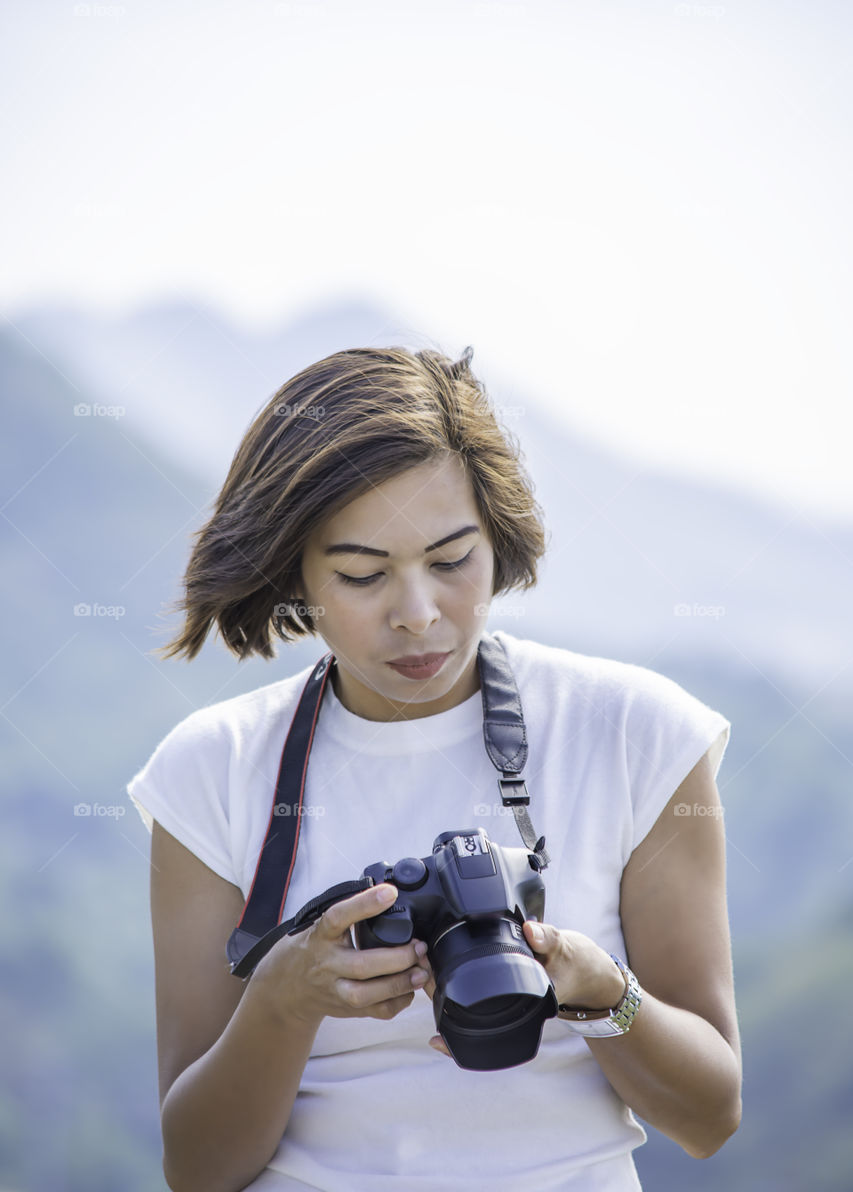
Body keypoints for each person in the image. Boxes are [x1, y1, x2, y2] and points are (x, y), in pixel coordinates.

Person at [127, 344, 742, 1192]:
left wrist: (605, 997)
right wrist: (284, 997)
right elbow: (197, 1170)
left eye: (452, 561)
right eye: (360, 575)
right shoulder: (208, 773)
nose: (418, 616)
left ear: (498, 539)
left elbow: (709, 1118)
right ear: (291, 573)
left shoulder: (637, 733)